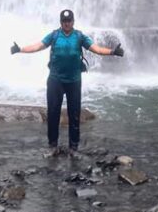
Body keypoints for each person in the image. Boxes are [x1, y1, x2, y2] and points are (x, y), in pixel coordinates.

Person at [10, 9, 124, 154]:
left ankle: (73, 147)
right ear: (61, 22)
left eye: (69, 21)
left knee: (74, 114)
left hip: (74, 81)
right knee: (53, 114)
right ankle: (52, 146)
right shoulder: (54, 35)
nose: (67, 23)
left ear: (73, 21)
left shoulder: (79, 36)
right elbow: (38, 46)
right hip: (55, 81)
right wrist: (20, 49)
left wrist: (112, 52)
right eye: (64, 21)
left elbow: (95, 48)